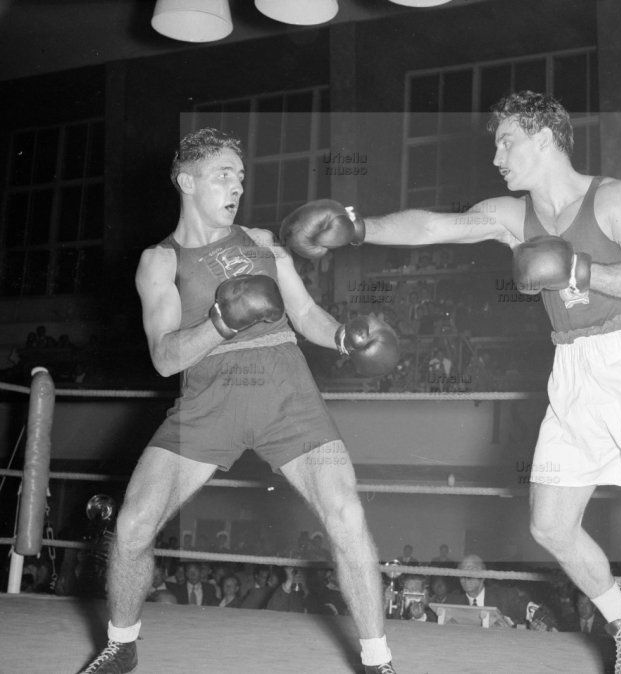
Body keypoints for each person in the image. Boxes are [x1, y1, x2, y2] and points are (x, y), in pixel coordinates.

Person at [280, 91, 621, 674]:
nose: (496, 154)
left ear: (544, 137)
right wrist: (359, 227)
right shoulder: (513, 215)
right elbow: (432, 227)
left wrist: (577, 267)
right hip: (572, 366)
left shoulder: (615, 197)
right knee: (550, 525)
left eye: (506, 140)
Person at [79, 128, 399, 674]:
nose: (237, 186)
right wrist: (222, 322)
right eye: (223, 174)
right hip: (208, 400)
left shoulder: (263, 240)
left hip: (286, 393)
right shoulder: (160, 260)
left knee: (346, 514)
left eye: (241, 177)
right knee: (132, 526)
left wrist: (344, 337)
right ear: (186, 181)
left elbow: (306, 316)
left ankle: (377, 662)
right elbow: (164, 357)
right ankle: (122, 644)